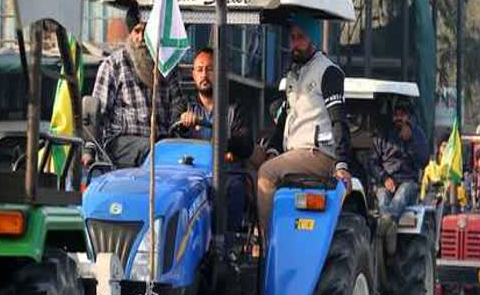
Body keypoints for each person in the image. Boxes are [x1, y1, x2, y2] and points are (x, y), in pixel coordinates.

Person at [257, 13, 352, 245]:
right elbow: (284, 122)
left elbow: (339, 120)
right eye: (292, 38)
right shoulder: (293, 74)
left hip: (317, 153)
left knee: (266, 174)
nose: (294, 44)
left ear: (314, 38)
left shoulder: (328, 72)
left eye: (300, 38)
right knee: (245, 162)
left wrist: (341, 164)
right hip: (294, 153)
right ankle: (241, 238)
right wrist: (271, 149)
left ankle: (269, 245)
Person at [84, 5, 184, 168]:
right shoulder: (113, 65)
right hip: (122, 143)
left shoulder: (167, 67)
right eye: (137, 31)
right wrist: (89, 150)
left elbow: (178, 108)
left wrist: (182, 123)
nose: (142, 37)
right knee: (152, 150)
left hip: (161, 145)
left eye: (147, 32)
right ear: (130, 34)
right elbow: (97, 113)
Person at [178, 47, 254, 233]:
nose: (205, 74)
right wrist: (183, 126)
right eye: (200, 69)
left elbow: (245, 144)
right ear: (193, 74)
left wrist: (222, 139)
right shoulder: (184, 105)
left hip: (224, 172)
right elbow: (172, 138)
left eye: (210, 69)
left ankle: (225, 248)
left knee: (234, 188)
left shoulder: (235, 107)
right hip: (192, 173)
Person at [370, 100, 429, 251]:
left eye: (402, 115)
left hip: (408, 180)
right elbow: (373, 162)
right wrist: (384, 178)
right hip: (386, 180)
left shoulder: (417, 134)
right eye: (396, 115)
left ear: (408, 117)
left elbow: (424, 160)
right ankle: (390, 228)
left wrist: (410, 141)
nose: (398, 118)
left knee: (400, 196)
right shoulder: (383, 135)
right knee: (382, 199)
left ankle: (386, 224)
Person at [420, 137, 448, 202]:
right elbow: (424, 184)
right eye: (444, 146)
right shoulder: (431, 165)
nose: (445, 149)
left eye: (448, 147)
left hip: (447, 198)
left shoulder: (453, 165)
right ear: (439, 148)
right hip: (432, 197)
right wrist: (422, 199)